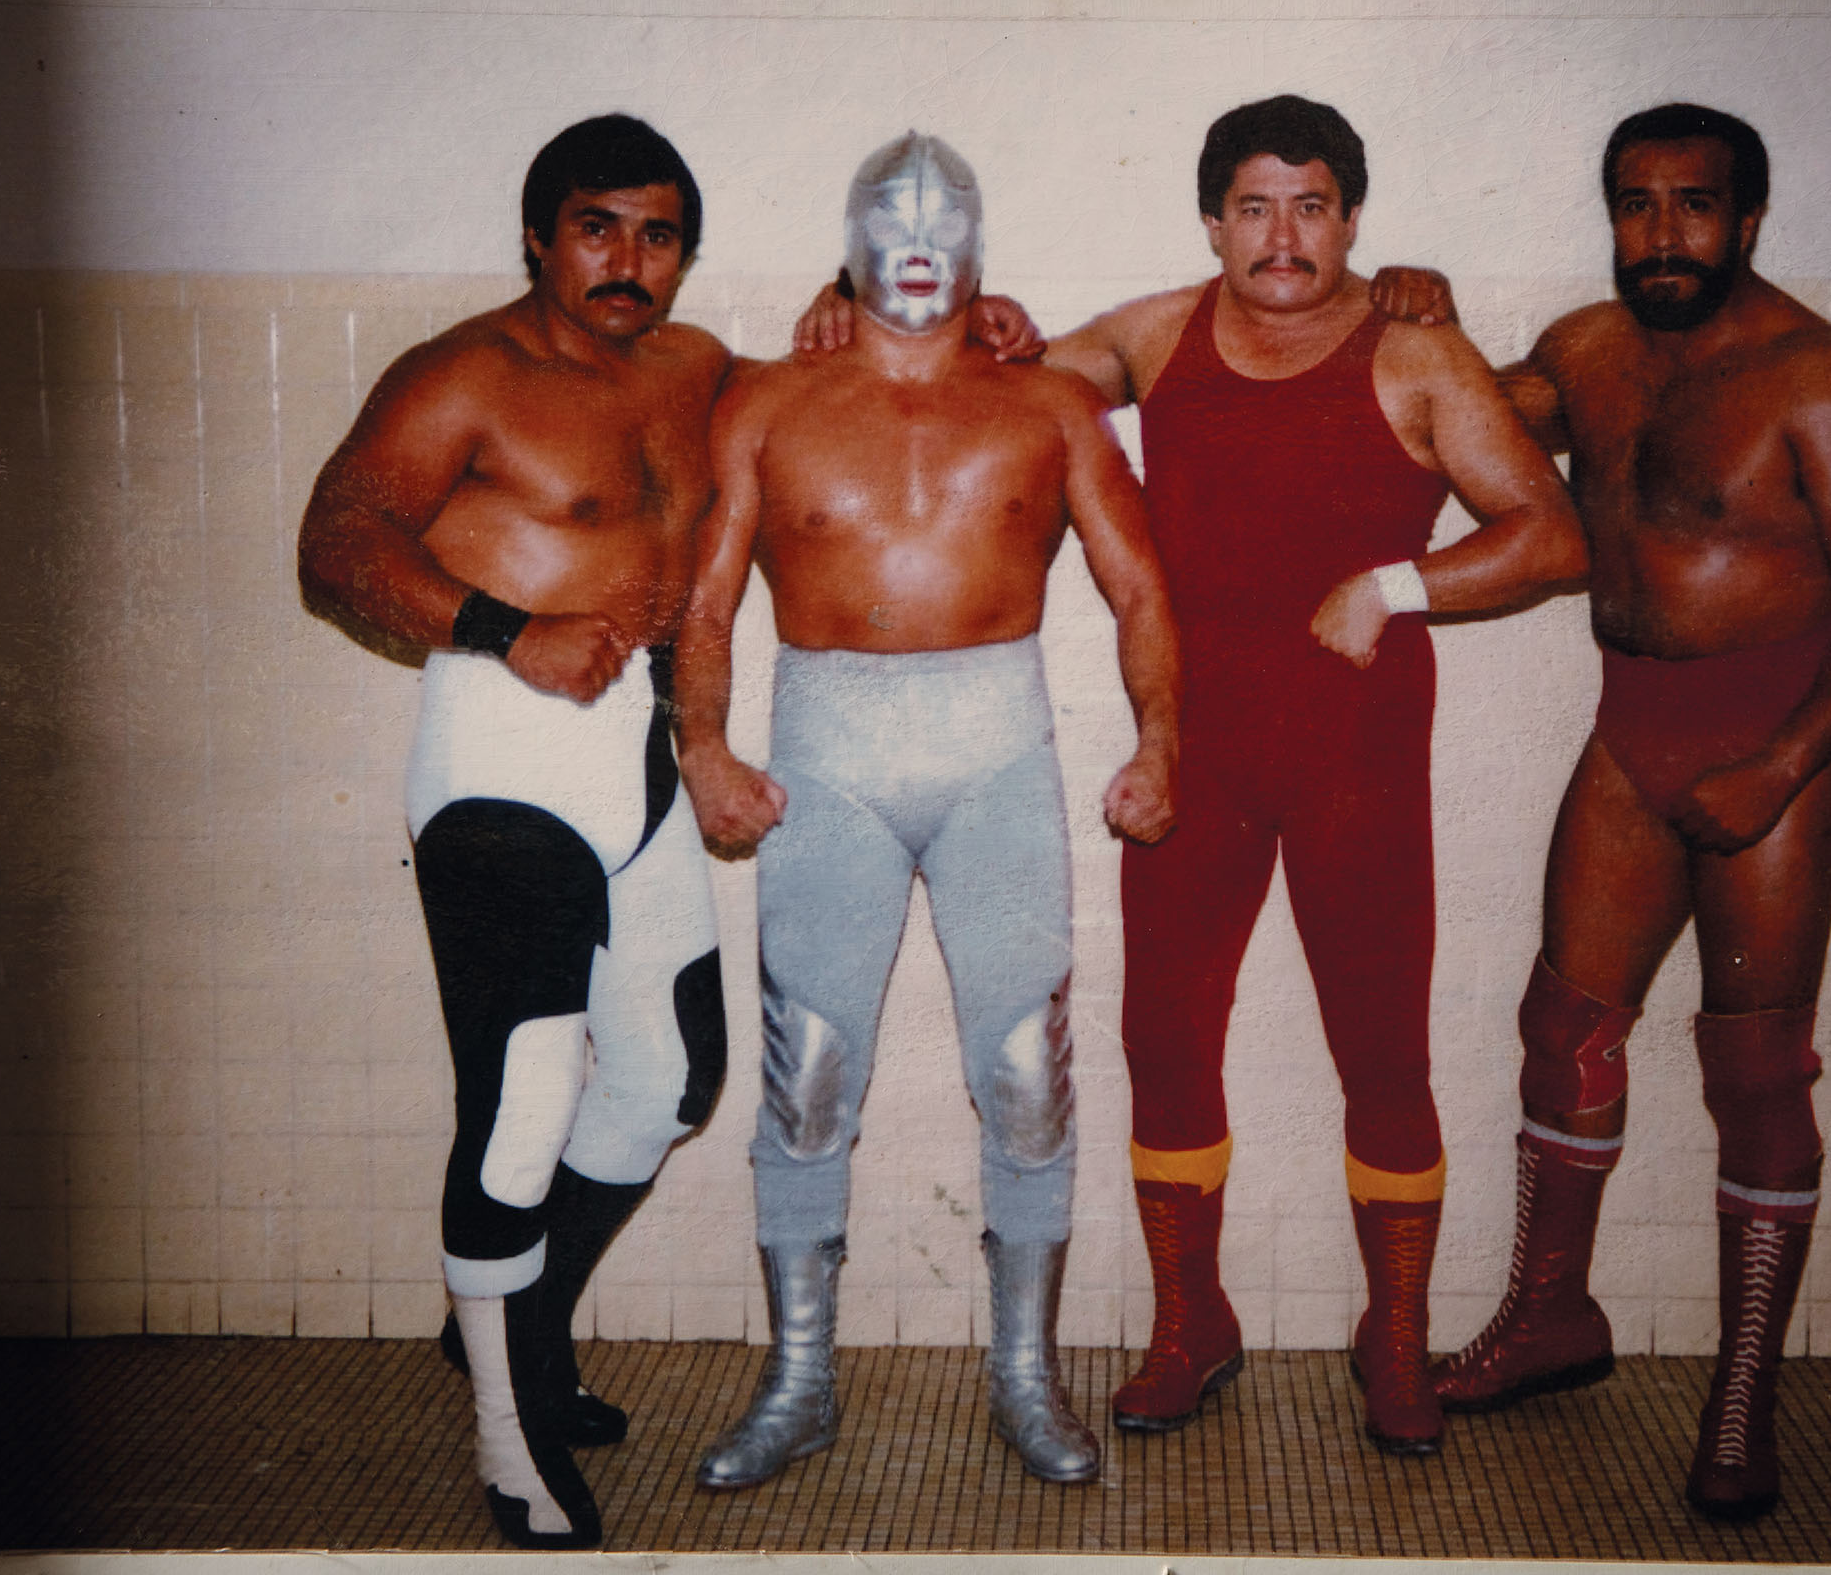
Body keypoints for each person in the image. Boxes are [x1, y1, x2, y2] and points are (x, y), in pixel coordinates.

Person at [798, 94, 1585, 1456]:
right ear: (1215, 219)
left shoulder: (1418, 354)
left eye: (1315, 204)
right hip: (1197, 756)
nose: (1285, 235)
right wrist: (850, 295)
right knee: (1163, 1040)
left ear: (1351, 218)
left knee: (1382, 1054)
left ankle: (1393, 1338)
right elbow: (1009, 371)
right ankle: (1190, 1324)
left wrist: (1396, 585)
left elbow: (1551, 537)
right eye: (1256, 206)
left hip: (1355, 761)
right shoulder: (1160, 333)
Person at [1411, 102, 1831, 1520]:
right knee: (1562, 1026)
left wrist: (1781, 767)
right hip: (1630, 731)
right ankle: (1551, 1320)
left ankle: (1744, 1387)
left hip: (1772, 743)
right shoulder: (1588, 350)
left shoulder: (1820, 380)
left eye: (1694, 208)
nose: (1663, 236)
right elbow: (1466, 423)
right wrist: (1419, 319)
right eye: (1637, 206)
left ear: (1749, 219)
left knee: (1754, 1072)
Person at [677, 132, 1180, 1491]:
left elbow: (1139, 589)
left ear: (979, 245)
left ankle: (1025, 1374)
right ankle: (798, 1381)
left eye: (941, 217)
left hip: (995, 752)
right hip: (828, 753)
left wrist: (1161, 742)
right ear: (848, 243)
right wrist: (704, 747)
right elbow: (708, 600)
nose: (914, 238)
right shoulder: (770, 398)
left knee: (1026, 1078)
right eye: (886, 221)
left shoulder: (1051, 403)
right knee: (807, 1079)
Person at [296, 114, 731, 1550]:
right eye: (597, 226)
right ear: (540, 234)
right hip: (500, 767)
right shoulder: (467, 374)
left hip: (637, 762)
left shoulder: (689, 370)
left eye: (657, 233)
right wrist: (504, 628)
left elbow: (838, 376)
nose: (627, 260)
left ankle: (513, 1324)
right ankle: (508, 1438)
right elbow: (339, 539)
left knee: (673, 1077)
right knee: (525, 1101)